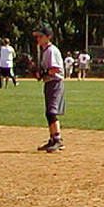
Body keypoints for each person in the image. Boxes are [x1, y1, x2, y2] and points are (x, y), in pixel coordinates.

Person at [31, 22, 66, 152]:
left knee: (52, 112)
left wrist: (44, 72)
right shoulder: (44, 51)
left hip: (55, 83)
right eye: (37, 37)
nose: (38, 39)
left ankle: (58, 140)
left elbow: (56, 69)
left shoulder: (52, 50)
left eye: (41, 36)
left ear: (48, 36)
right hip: (49, 83)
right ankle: (53, 138)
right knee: (48, 113)